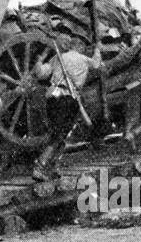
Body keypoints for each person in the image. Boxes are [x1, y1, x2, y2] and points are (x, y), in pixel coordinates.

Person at [31, 35, 102, 180]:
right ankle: (40, 166)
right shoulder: (83, 59)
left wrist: (38, 61)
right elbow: (96, 65)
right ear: (80, 47)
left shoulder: (58, 57)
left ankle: (52, 167)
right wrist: (98, 50)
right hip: (69, 98)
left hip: (52, 98)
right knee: (60, 135)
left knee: (58, 134)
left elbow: (41, 73)